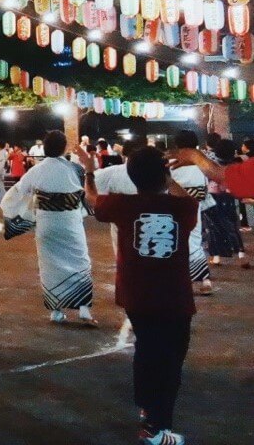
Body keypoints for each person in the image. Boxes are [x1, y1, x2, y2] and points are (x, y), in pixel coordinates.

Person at [73, 145, 196, 445]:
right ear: (163, 175)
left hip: (136, 295)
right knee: (170, 361)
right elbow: (188, 198)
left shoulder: (123, 204)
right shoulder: (182, 208)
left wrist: (89, 170)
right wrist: (168, 177)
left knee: (147, 350)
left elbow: (92, 198)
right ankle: (157, 428)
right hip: (174, 298)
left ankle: (147, 409)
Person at [0, 131, 98, 326]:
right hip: (70, 222)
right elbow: (88, 194)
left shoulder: (36, 170)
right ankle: (84, 311)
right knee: (80, 261)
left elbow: (16, 192)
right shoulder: (76, 169)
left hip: (46, 223)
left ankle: (56, 312)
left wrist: (21, 213)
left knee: (50, 266)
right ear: (64, 148)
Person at [169, 131, 215, 296]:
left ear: (177, 144)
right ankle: (205, 280)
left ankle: (182, 281)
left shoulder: (171, 162)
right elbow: (205, 187)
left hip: (173, 207)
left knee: (175, 243)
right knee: (195, 241)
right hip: (194, 206)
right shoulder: (201, 162)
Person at [202, 139, 248, 268]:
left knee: (213, 227)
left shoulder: (211, 164)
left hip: (213, 197)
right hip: (230, 197)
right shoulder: (236, 164)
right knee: (233, 226)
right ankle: (242, 256)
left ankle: (216, 257)